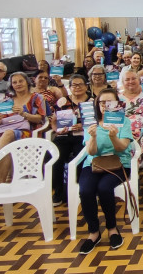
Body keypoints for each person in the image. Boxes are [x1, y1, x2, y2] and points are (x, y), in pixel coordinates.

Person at [76, 88, 134, 254]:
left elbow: (122, 147)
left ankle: (112, 228)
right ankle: (93, 232)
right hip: (94, 163)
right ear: (97, 104)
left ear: (117, 104)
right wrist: (93, 137)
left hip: (119, 163)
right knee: (86, 190)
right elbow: (91, 152)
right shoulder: (91, 122)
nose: (105, 106)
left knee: (104, 188)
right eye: (102, 102)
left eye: (110, 103)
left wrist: (113, 136)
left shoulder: (123, 121)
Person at [0, 72, 47, 185]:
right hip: (5, 131)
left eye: (21, 81)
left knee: (8, 134)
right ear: (11, 85)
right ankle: (1, 184)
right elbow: (2, 122)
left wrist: (24, 114)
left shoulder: (37, 97)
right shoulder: (6, 99)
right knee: (6, 144)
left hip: (29, 131)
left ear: (27, 82)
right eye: (14, 82)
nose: (18, 84)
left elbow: (40, 119)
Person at [50, 74, 89, 205]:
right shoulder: (62, 101)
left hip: (82, 136)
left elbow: (97, 121)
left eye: (80, 84)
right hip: (64, 136)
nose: (77, 87)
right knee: (56, 158)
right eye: (74, 85)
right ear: (70, 87)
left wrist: (83, 126)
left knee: (79, 157)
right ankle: (59, 192)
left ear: (86, 86)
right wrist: (57, 130)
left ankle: (75, 189)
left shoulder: (91, 101)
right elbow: (54, 122)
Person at [119, 69, 143, 166]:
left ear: (139, 79)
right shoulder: (117, 98)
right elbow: (114, 121)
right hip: (125, 133)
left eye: (134, 78)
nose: (131, 81)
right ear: (122, 82)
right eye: (127, 79)